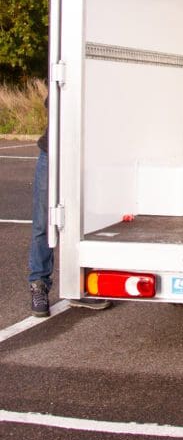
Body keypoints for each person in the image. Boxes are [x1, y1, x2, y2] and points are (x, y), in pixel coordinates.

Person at [28, 102, 112, 317]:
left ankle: (81, 285)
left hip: (84, 155)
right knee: (44, 223)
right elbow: (52, 103)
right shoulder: (60, 71)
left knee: (85, 221)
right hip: (52, 154)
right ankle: (39, 285)